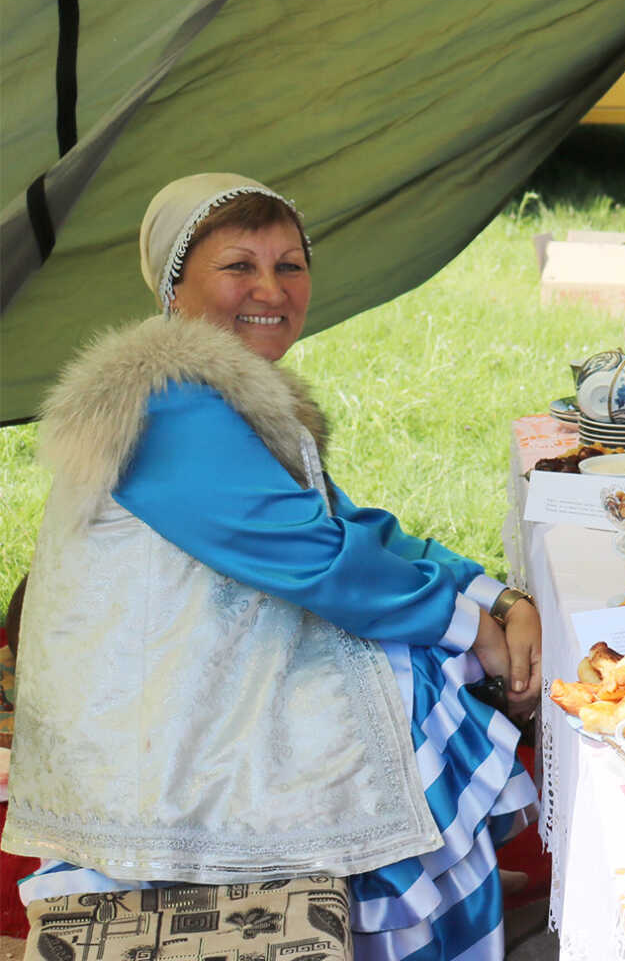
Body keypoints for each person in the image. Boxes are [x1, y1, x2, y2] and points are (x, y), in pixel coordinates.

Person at [4, 174, 541, 961]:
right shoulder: (164, 402)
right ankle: (422, 908)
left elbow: (350, 526)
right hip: (159, 725)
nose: (270, 289)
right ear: (174, 288)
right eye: (239, 266)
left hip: (204, 670)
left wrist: (492, 592)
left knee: (420, 677)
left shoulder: (224, 392)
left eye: (290, 265)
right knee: (424, 686)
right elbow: (319, 559)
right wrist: (477, 629)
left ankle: (436, 891)